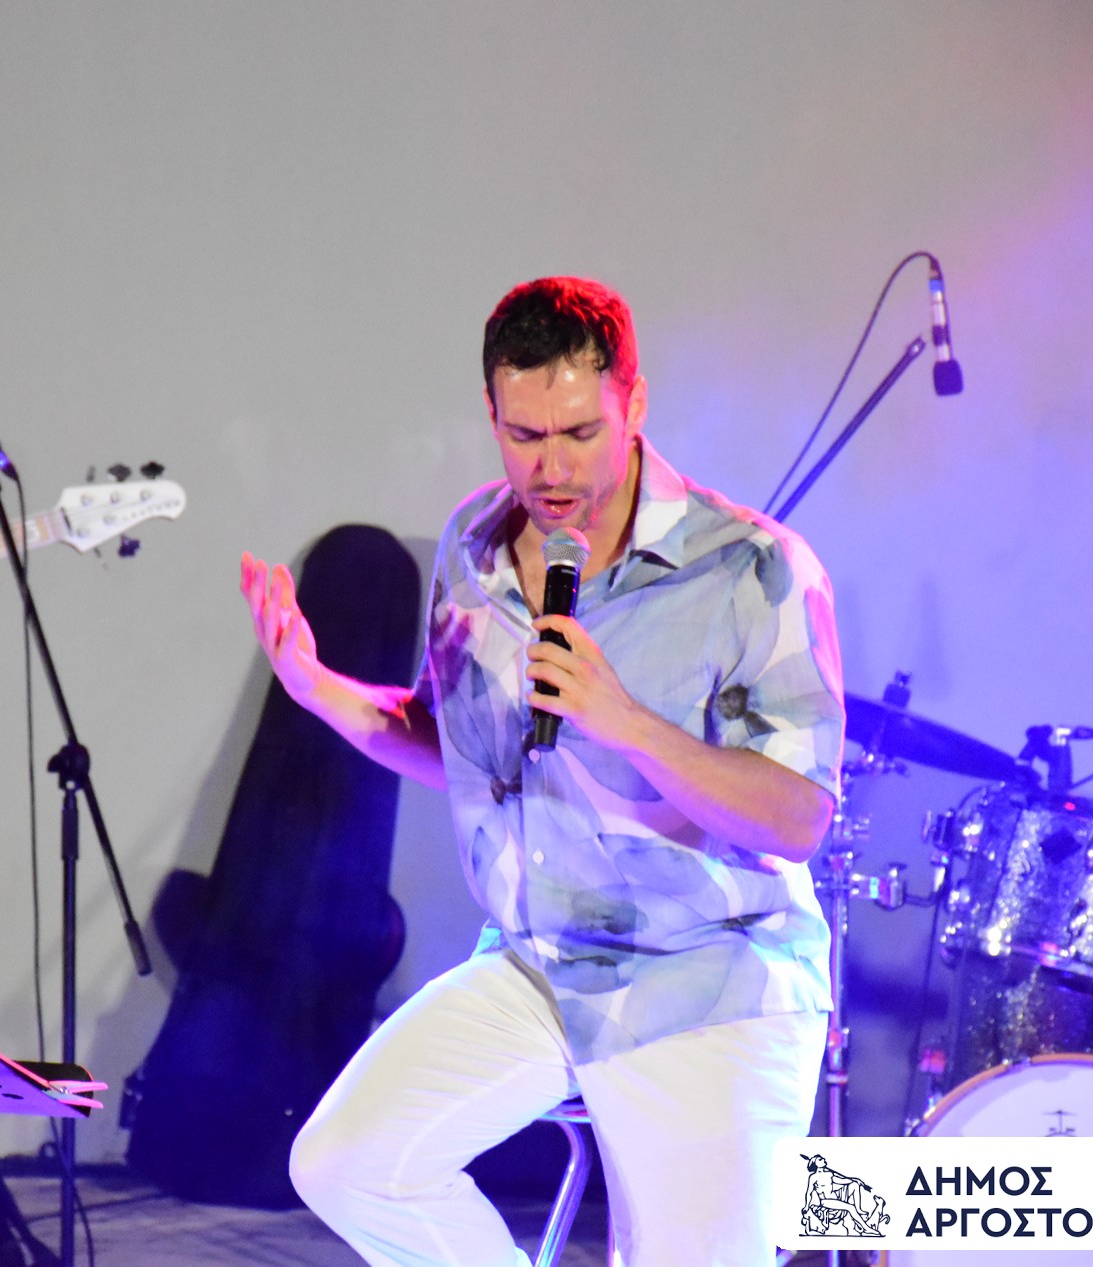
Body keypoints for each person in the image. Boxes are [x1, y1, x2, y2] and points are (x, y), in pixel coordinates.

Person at [241, 276, 844, 1266]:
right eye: (524, 436)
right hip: (538, 961)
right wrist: (318, 689)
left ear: (633, 405)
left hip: (708, 975)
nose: (552, 467)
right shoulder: (475, 546)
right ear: (491, 415)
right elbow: (455, 746)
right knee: (349, 1162)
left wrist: (630, 724)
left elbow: (798, 818)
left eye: (579, 432)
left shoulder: (750, 567)